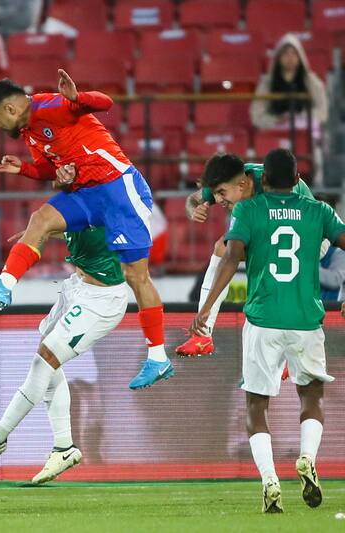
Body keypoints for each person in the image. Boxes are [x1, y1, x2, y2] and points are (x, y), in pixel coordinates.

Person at [0, 72, 171, 390]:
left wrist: (78, 98)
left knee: (136, 276)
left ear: (9, 109)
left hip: (119, 189)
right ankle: (3, 285)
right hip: (87, 192)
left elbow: (106, 102)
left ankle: (158, 357)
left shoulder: (51, 106)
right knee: (41, 219)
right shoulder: (30, 132)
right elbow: (51, 169)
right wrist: (26, 169)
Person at [190, 148, 345, 513]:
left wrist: (208, 306)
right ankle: (307, 457)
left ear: (250, 182)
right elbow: (199, 196)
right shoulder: (318, 209)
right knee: (312, 397)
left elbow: (230, 258)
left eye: (226, 196)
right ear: (293, 179)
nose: (223, 203)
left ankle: (269, 480)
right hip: (307, 319)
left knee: (256, 404)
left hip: (262, 321)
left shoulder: (248, 209)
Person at [0, 226, 127, 483]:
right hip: (77, 288)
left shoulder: (112, 199)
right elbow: (76, 228)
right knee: (49, 362)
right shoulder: (81, 201)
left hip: (102, 299)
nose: (59, 182)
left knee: (44, 361)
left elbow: (125, 244)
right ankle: (64, 447)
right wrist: (41, 231)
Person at [178, 154, 314, 356]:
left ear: (242, 185)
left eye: (221, 193)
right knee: (222, 249)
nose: (217, 200)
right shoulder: (228, 179)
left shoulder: (273, 186)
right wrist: (193, 210)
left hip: (309, 236)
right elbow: (193, 199)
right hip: (279, 234)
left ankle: (291, 352)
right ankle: (203, 336)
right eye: (214, 194)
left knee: (266, 264)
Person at [250, 34, 328, 131]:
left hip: (305, 132)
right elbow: (257, 116)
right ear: (278, 58)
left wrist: (299, 118)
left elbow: (323, 111)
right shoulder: (267, 83)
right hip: (276, 132)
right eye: (286, 53)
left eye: (294, 53)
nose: (290, 58)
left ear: (300, 57)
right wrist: (277, 120)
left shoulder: (311, 81)